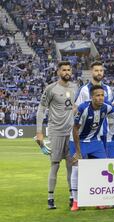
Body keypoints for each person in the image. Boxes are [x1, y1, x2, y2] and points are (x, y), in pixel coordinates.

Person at [35, 61, 77, 209]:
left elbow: (75, 105)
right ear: (58, 72)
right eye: (64, 70)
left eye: (69, 70)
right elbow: (41, 109)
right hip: (56, 131)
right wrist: (39, 132)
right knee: (55, 164)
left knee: (72, 165)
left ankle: (73, 197)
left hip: (71, 132)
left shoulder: (75, 87)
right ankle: (50, 198)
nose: (67, 72)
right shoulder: (51, 88)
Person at [70, 85, 112, 211]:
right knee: (76, 169)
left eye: (102, 95)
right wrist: (77, 152)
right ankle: (76, 201)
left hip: (95, 141)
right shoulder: (83, 108)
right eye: (97, 95)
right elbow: (75, 129)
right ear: (91, 97)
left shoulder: (107, 107)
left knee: (103, 169)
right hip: (79, 141)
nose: (100, 98)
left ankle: (100, 200)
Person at [75, 61, 113, 147]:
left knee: (103, 159)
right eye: (96, 70)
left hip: (103, 132)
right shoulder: (84, 89)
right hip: (86, 133)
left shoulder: (108, 89)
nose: (99, 73)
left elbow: (110, 109)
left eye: (101, 70)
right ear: (91, 72)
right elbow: (77, 109)